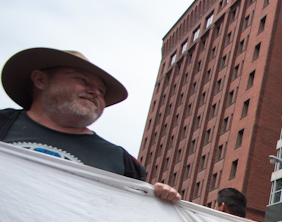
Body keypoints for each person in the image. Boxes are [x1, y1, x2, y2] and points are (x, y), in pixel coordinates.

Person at [1, 47, 180, 203]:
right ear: (40, 80)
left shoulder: (123, 163)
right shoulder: (4, 124)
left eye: (101, 91)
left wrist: (157, 202)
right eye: (81, 79)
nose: (94, 92)